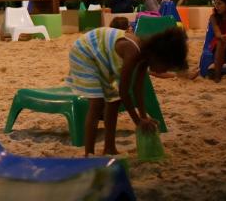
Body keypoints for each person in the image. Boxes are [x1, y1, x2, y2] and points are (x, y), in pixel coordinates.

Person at [66, 26, 187, 156]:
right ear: (159, 56)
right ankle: (88, 154)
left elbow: (137, 88)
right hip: (85, 52)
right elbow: (124, 92)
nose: (163, 72)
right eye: (166, 67)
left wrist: (143, 116)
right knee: (97, 104)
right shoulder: (133, 51)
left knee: (114, 101)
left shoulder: (145, 56)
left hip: (103, 58)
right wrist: (137, 121)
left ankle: (109, 148)